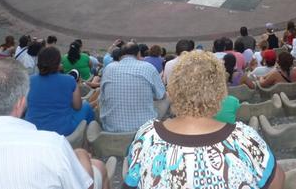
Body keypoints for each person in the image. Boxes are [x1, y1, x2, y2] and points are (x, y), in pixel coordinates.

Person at [122, 51, 284, 189]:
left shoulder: (146, 136)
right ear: (221, 93)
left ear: (172, 90)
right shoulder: (245, 139)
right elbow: (277, 181)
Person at [0, 58, 109, 189]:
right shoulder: (52, 145)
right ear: (21, 102)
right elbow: (85, 184)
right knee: (98, 167)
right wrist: (81, 154)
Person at [25, 46, 94, 136]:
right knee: (86, 106)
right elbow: (77, 107)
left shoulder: (29, 80)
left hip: (33, 129)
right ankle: (88, 138)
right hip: (62, 130)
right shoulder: (69, 80)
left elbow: (25, 105)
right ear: (58, 63)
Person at [100, 42, 167, 133]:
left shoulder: (108, 68)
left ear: (121, 55)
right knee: (166, 96)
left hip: (112, 129)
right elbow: (161, 95)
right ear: (139, 54)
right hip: (144, 131)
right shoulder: (148, 68)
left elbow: (102, 97)